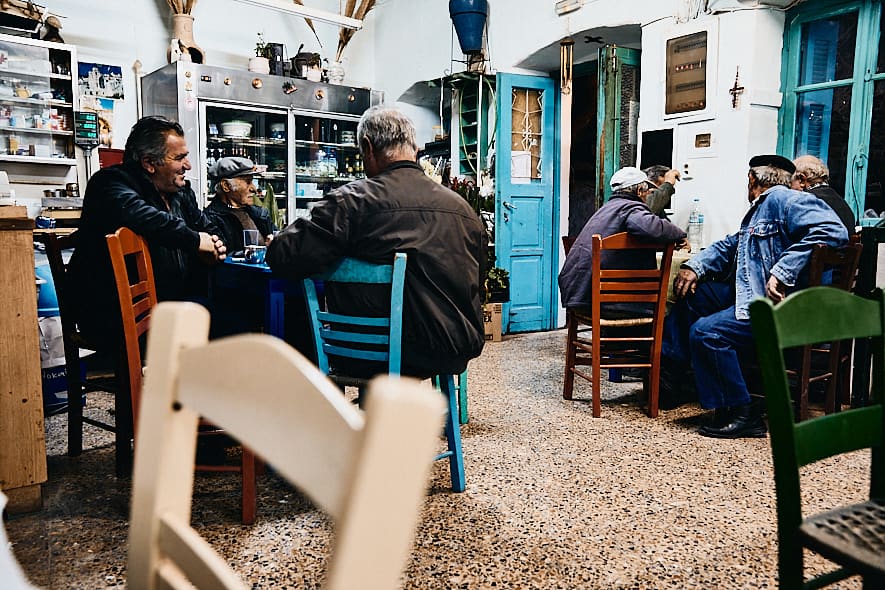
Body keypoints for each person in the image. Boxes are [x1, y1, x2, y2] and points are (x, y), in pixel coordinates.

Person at [266, 105, 486, 379]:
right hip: (453, 348)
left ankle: (327, 414)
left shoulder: (352, 201)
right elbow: (479, 278)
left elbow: (285, 258)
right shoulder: (462, 209)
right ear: (413, 148)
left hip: (371, 354)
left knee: (303, 328)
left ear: (368, 147)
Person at [662, 154, 849, 439]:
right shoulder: (761, 209)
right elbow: (731, 244)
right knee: (696, 297)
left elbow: (834, 230)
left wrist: (783, 270)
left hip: (780, 308)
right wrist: (694, 267)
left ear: (752, 180)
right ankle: (673, 378)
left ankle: (742, 412)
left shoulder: (785, 201)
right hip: (756, 294)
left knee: (706, 333)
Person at [68, 115, 226, 349]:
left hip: (169, 304)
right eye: (179, 158)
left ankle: (192, 383)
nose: (188, 165)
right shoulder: (110, 183)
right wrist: (194, 241)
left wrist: (214, 246)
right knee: (230, 329)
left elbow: (208, 228)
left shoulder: (181, 192)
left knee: (236, 315)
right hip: (113, 313)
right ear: (149, 163)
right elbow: (144, 216)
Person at [559, 166, 687, 318]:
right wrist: (680, 235)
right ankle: (654, 341)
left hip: (579, 294)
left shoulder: (608, 208)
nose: (648, 196)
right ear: (639, 191)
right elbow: (649, 227)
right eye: (647, 192)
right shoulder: (630, 208)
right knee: (671, 305)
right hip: (597, 299)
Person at [203, 156, 277, 253]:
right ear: (226, 186)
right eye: (248, 182)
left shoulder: (260, 214)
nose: (254, 189)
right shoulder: (209, 220)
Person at [791, 155, 856, 233]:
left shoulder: (805, 202)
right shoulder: (841, 201)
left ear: (801, 180)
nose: (788, 187)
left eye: (790, 181)